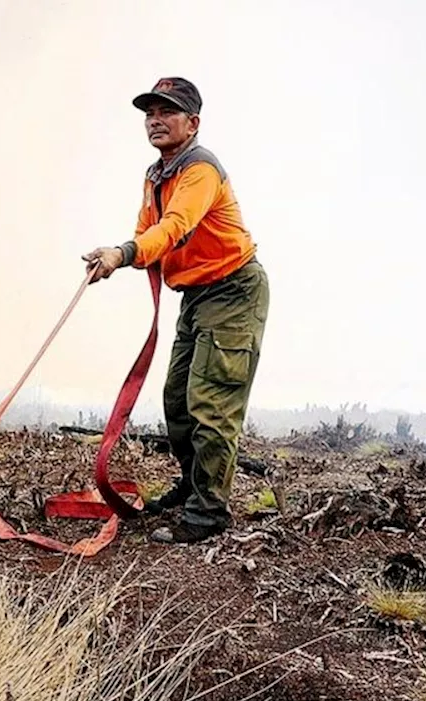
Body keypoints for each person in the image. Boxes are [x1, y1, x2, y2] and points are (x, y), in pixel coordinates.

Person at [83, 77, 270, 544]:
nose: (155, 120)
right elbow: (149, 231)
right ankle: (192, 488)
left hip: (233, 292)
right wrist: (117, 257)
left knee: (211, 403)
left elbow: (174, 227)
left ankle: (208, 514)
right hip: (196, 295)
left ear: (193, 123)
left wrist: (123, 253)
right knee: (177, 399)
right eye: (150, 112)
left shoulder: (201, 169)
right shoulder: (155, 175)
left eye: (167, 112)